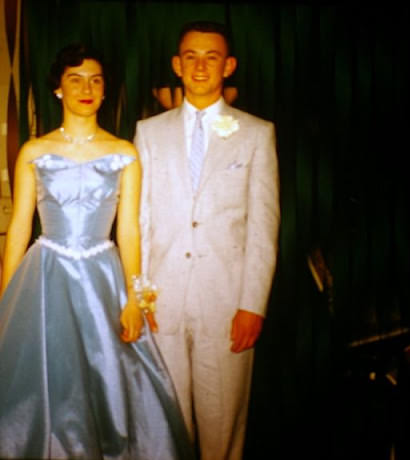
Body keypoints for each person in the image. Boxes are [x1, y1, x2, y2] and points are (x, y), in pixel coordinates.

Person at [0, 44, 193, 459]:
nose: (86, 88)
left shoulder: (125, 153)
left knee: (107, 384)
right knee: (38, 388)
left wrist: (135, 298)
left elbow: (130, 232)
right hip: (45, 275)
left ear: (105, 91)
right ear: (58, 90)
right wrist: (10, 293)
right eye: (75, 79)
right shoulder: (34, 151)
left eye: (95, 80)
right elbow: (19, 226)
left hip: (103, 276)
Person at [134, 21, 280, 460]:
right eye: (191, 56)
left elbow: (263, 226)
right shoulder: (148, 132)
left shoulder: (257, 133)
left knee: (223, 431)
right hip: (162, 304)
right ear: (177, 65)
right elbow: (139, 222)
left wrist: (253, 303)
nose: (200, 65)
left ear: (228, 65)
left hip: (227, 305)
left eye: (211, 56)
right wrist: (140, 298)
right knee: (165, 426)